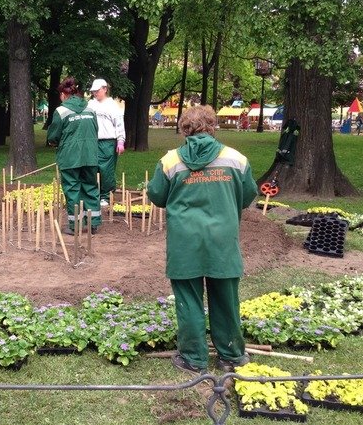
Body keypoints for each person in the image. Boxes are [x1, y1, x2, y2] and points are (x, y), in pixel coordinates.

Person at [147, 105, 258, 375]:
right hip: (222, 242)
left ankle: (193, 358)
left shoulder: (170, 161)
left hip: (185, 243)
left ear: (184, 128)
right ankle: (231, 355)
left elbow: (157, 196)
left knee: (188, 299)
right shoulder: (236, 159)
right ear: (213, 126)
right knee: (226, 298)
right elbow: (248, 195)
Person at [46, 77, 102, 234]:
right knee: (90, 188)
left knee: (72, 189)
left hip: (70, 158)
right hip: (90, 156)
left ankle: (76, 226)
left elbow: (53, 136)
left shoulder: (61, 111)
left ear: (64, 94)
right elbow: (95, 130)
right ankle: (93, 223)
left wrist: (54, 142)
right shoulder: (91, 110)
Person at [86, 78, 126, 207]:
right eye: (93, 91)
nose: (95, 93)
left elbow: (119, 124)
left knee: (106, 170)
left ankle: (106, 196)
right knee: (92, 168)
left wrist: (120, 141)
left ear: (105, 89)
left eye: (97, 91)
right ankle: (94, 194)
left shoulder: (112, 105)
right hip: (92, 141)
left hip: (108, 142)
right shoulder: (90, 105)